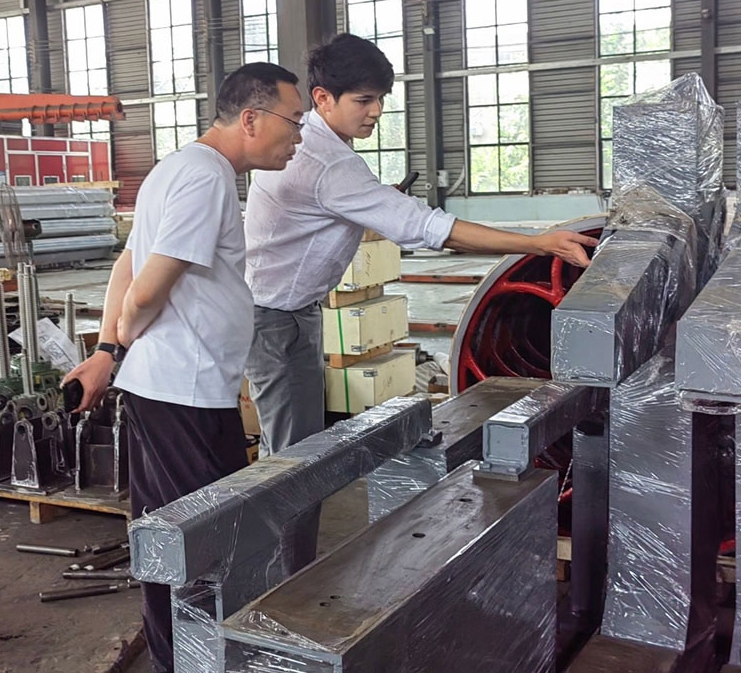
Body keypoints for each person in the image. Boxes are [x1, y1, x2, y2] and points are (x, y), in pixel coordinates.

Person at [244, 33, 598, 573]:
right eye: (364, 100)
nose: (376, 112)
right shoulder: (326, 164)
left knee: (297, 451)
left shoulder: (320, 146)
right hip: (275, 319)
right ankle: (278, 582)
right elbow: (431, 229)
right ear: (322, 99)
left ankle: (285, 567)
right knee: (292, 463)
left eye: (381, 99)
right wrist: (537, 243)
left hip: (294, 312)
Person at [62, 62, 304, 673]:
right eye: (294, 122)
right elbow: (146, 287)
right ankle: (195, 663)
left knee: (173, 538)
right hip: (184, 396)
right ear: (251, 119)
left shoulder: (174, 168)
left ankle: (183, 660)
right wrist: (127, 331)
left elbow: (126, 262)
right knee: (203, 548)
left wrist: (107, 352)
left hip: (175, 391)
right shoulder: (205, 177)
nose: (298, 138)